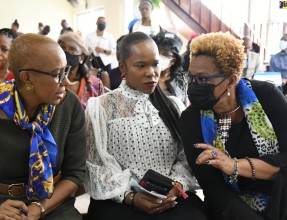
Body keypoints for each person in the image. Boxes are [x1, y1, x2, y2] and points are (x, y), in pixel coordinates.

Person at [84, 32, 207, 220]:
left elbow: (186, 158)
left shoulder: (173, 105)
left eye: (155, 64)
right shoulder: (101, 107)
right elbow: (95, 165)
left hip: (170, 197)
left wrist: (176, 186)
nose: (151, 72)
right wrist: (130, 196)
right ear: (123, 67)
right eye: (141, 66)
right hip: (119, 199)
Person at [0, 33, 86, 220]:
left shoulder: (68, 106)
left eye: (66, 71)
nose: (67, 82)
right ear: (27, 77)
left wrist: (38, 208)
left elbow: (75, 173)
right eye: (57, 75)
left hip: (52, 204)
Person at [179, 32, 287, 220]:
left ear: (231, 79)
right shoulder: (191, 118)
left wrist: (234, 166)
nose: (194, 85)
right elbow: (213, 187)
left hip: (280, 195)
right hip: (229, 206)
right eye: (191, 78)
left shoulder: (266, 96)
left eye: (203, 79)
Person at [59, 31, 104, 109]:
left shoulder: (95, 84)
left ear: (82, 58)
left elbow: (102, 114)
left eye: (72, 50)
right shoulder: (52, 82)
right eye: (62, 48)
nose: (65, 53)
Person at [152, 29, 188, 106]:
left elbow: (184, 106)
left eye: (165, 54)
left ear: (173, 60)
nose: (159, 57)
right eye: (157, 52)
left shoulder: (181, 81)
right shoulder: (147, 76)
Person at [270, 33, 287, 98]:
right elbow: (272, 73)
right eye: (281, 40)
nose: (282, 42)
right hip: (277, 84)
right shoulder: (274, 58)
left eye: (285, 40)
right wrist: (279, 80)